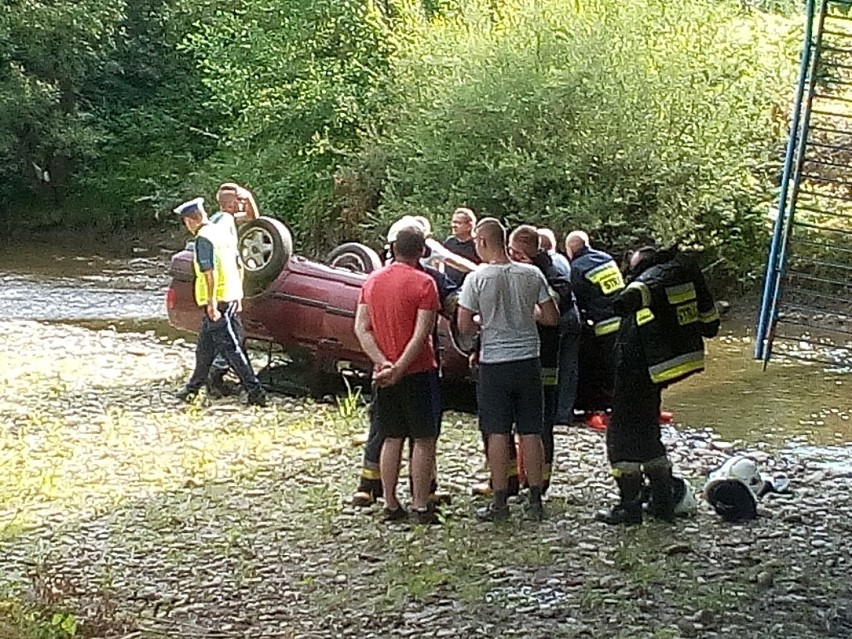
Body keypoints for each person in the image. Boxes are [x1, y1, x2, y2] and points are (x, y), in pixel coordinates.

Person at [596, 245, 720, 525]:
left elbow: (631, 298)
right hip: (665, 367)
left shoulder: (650, 280)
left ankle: (629, 507)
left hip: (640, 368)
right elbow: (710, 324)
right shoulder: (684, 276)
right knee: (647, 431)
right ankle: (662, 501)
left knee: (621, 438)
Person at [352, 216, 458, 508]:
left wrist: (383, 363)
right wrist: (400, 366)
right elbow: (421, 334)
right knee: (424, 439)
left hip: (382, 372)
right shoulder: (425, 283)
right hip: (419, 369)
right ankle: (421, 503)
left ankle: (389, 502)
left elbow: (361, 327)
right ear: (422, 251)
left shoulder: (372, 280)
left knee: (391, 437)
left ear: (393, 248)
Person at [458, 218, 559, 521]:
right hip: (528, 360)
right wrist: (528, 314)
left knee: (498, 432)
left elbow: (464, 325)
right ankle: (536, 500)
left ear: (484, 242)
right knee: (531, 430)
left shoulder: (477, 279)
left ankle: (500, 501)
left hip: (495, 363)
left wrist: (482, 321)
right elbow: (552, 318)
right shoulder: (532, 274)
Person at [174, 197, 267, 407]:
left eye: (186, 222)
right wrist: (239, 295)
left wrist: (211, 303)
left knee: (231, 349)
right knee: (204, 349)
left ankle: (256, 392)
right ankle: (193, 388)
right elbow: (239, 263)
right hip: (232, 295)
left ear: (191, 220)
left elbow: (209, 273)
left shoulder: (203, 239)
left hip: (219, 301)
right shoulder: (222, 233)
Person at [508, 225, 580, 494]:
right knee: (519, 423)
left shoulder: (551, 275)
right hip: (528, 356)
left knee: (539, 423)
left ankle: (539, 482)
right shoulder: (547, 271)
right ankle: (516, 478)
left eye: (513, 252)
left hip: (542, 357)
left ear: (522, 252)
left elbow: (552, 311)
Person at [207, 183, 259, 397]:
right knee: (231, 338)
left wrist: (249, 199)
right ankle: (220, 377)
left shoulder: (222, 218)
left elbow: (252, 218)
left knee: (225, 337)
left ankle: (211, 379)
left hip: (225, 289)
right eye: (239, 200)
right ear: (231, 204)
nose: (242, 204)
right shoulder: (223, 222)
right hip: (223, 291)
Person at [564, 230, 625, 412]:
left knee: (607, 368)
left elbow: (577, 300)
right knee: (622, 365)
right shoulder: (606, 258)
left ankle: (610, 408)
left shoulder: (576, 267)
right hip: (624, 318)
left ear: (570, 248)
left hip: (605, 325)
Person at [442, 207, 481, 285]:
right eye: (453, 222)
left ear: (469, 226)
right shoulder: (449, 242)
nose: (453, 226)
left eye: (458, 223)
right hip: (449, 288)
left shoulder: (478, 244)